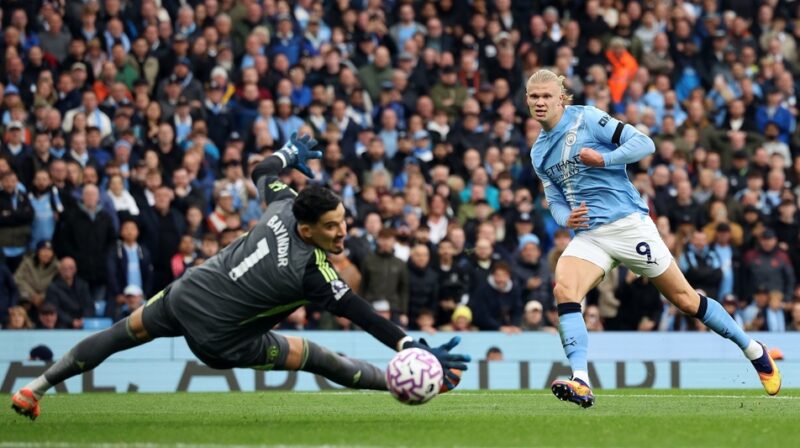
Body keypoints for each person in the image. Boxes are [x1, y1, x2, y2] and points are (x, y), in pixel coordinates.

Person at [12, 133, 470, 420]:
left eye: (343, 221)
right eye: (331, 228)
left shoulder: (283, 203)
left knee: (119, 335)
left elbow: (263, 169)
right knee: (322, 358)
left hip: (189, 292)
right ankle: (404, 382)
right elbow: (362, 313)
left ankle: (33, 390)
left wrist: (287, 151)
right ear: (307, 230)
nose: (342, 232)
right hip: (220, 338)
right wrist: (409, 346)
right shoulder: (311, 271)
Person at [525, 69, 781, 408]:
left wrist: (604, 158)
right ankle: (582, 381)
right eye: (534, 97)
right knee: (564, 290)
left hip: (629, 225)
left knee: (687, 301)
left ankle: (753, 349)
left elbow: (644, 143)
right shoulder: (538, 152)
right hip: (590, 236)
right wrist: (564, 218)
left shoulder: (587, 118)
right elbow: (554, 200)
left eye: (546, 96)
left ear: (561, 98)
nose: (540, 102)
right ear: (527, 101)